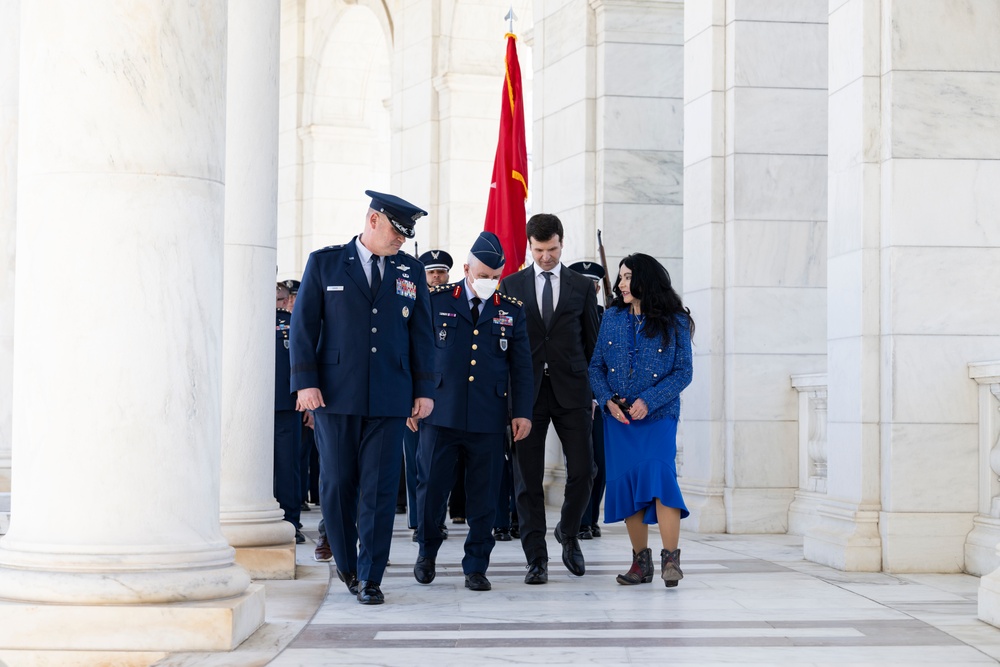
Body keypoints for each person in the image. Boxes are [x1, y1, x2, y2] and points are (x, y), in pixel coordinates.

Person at [289, 190, 435, 605]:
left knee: (380, 489)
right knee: (336, 484)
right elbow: (303, 328)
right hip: (335, 395)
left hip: (391, 396)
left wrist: (424, 390)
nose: (401, 241)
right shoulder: (326, 262)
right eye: (396, 231)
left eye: (407, 235)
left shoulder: (410, 270)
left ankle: (370, 577)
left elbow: (421, 334)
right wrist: (305, 382)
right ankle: (347, 565)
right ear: (373, 221)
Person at [412, 232, 533, 592]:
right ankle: (427, 553)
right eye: (482, 275)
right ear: (465, 269)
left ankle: (477, 565)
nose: (488, 283)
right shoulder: (434, 301)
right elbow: (415, 351)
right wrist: (412, 399)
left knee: (484, 496)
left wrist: (522, 412)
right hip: (440, 413)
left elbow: (521, 367)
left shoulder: (510, 309)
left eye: (494, 276)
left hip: (488, 417)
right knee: (431, 490)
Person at [498, 214, 599, 584]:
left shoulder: (582, 287)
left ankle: (569, 533)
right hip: (527, 397)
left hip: (573, 392)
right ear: (529, 246)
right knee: (527, 479)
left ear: (562, 243)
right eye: (539, 250)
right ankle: (535, 558)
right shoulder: (510, 285)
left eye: (552, 249)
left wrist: (593, 392)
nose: (546, 257)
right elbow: (503, 349)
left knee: (585, 470)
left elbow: (593, 345)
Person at [587, 253, 694, 588]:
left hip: (659, 416)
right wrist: (607, 402)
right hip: (620, 420)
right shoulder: (612, 317)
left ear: (646, 278)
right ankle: (640, 563)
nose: (621, 284)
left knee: (661, 478)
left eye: (627, 276)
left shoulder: (675, 320)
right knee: (629, 485)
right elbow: (595, 368)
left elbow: (683, 372)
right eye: (620, 277)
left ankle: (671, 560)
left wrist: (649, 400)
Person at [401, 249, 456, 542]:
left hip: (445, 398)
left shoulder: (454, 303)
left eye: (441, 272)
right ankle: (418, 521)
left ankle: (436, 520)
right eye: (431, 272)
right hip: (413, 397)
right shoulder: (406, 302)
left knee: (440, 466)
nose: (436, 277)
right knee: (415, 463)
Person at [568, 261, 608, 541]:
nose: (590, 289)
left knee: (600, 463)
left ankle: (592, 518)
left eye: (593, 284)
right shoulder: (567, 314)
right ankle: (581, 520)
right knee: (583, 463)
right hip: (576, 395)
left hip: (604, 398)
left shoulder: (610, 316)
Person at [274, 283, 304, 544]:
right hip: (248, 406)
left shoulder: (290, 322)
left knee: (288, 465)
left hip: (285, 403)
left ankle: (290, 521)